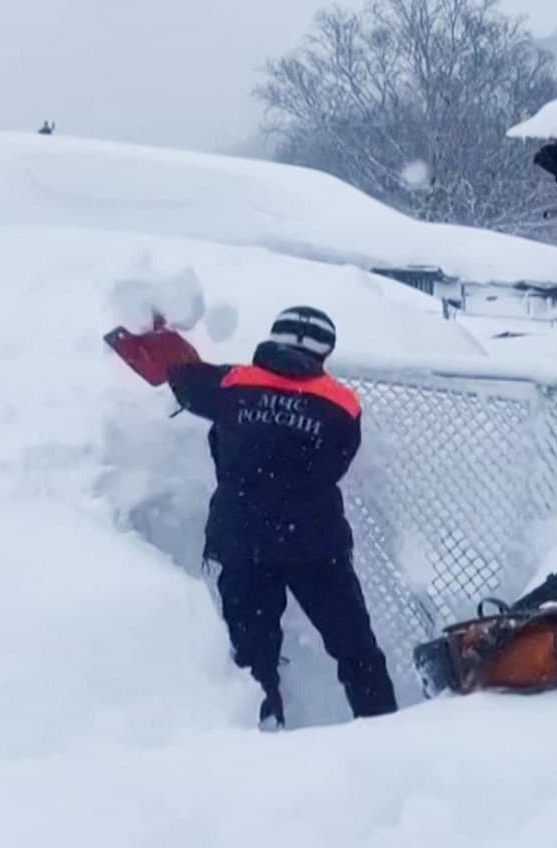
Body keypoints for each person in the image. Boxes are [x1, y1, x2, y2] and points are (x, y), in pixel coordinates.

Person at [166, 306, 397, 730]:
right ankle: (385, 730)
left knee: (253, 655)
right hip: (314, 542)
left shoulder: (230, 382)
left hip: (241, 536)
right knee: (355, 648)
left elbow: (179, 377)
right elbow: (336, 463)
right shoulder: (342, 405)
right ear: (324, 352)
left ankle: (261, 739)